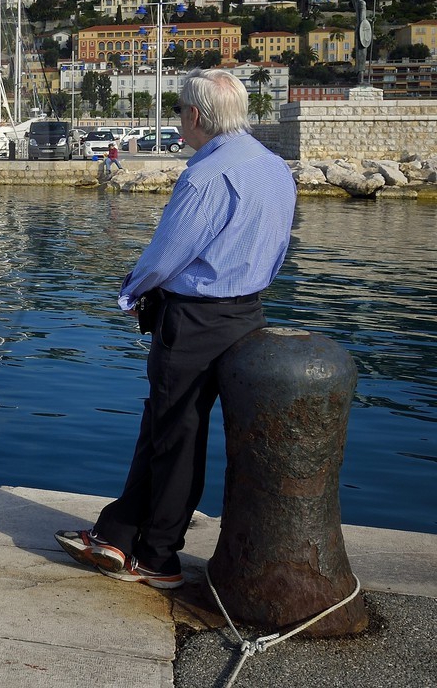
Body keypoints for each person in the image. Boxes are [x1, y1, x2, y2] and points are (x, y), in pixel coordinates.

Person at [56, 68, 295, 589]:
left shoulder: (205, 175)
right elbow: (277, 250)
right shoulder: (273, 167)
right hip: (248, 314)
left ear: (194, 115)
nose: (179, 124)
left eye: (180, 114)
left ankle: (159, 557)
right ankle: (118, 534)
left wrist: (131, 291)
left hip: (194, 320)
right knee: (169, 428)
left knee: (175, 436)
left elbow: (169, 252)